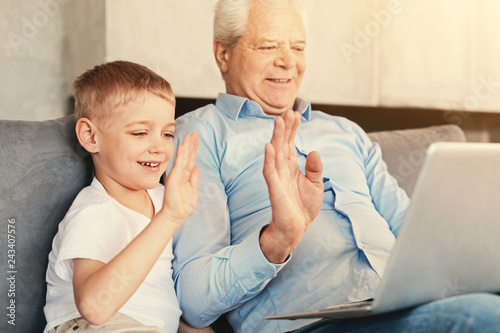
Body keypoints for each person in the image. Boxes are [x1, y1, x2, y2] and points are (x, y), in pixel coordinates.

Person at [171, 1, 500, 332]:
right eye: (269, 46)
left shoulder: (345, 131)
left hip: (402, 307)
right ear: (223, 54)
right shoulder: (198, 135)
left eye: (298, 47)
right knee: (481, 316)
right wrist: (277, 238)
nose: (287, 61)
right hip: (314, 323)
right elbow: (195, 298)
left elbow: (413, 230)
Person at [43, 61, 213, 333]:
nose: (159, 147)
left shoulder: (163, 200)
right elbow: (95, 308)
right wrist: (170, 218)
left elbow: (153, 299)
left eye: (167, 134)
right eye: (140, 133)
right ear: (90, 136)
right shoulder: (94, 211)